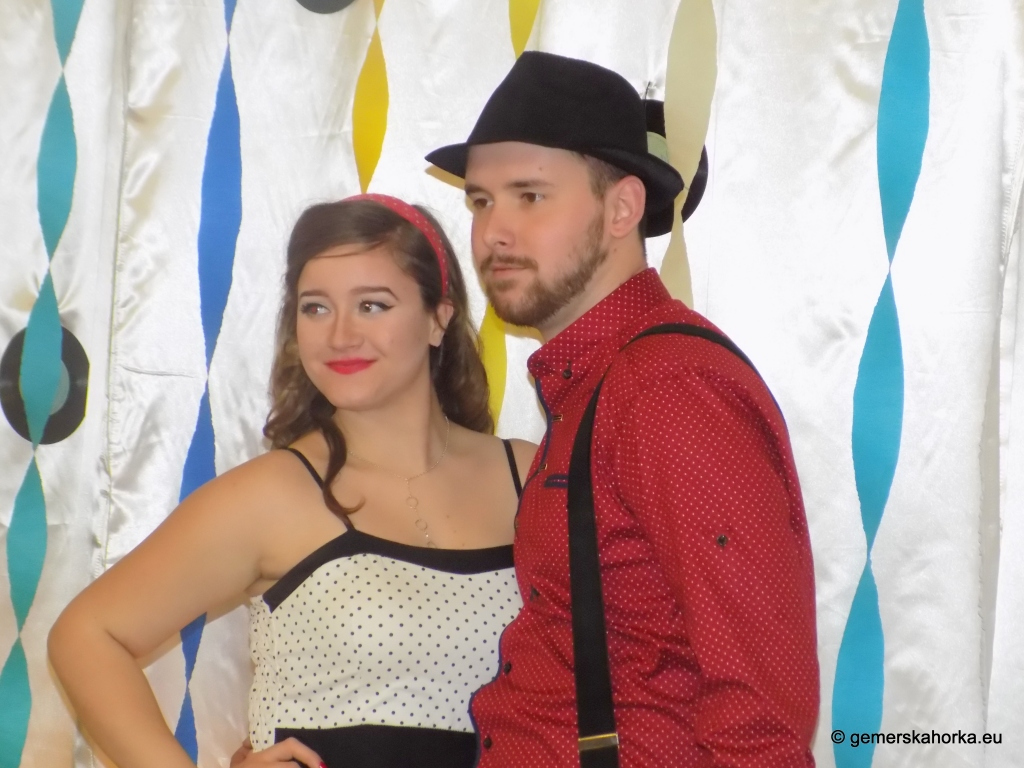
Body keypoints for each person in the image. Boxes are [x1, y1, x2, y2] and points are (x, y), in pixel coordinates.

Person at [424, 51, 819, 766]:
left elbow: (761, 719)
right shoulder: (598, 384)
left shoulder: (667, 389)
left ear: (623, 209)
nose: (493, 232)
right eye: (481, 201)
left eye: (529, 196)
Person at [48, 194, 536, 768]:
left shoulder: (532, 475)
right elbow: (86, 635)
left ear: (438, 318)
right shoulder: (271, 496)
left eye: (372, 305)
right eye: (316, 308)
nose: (341, 335)